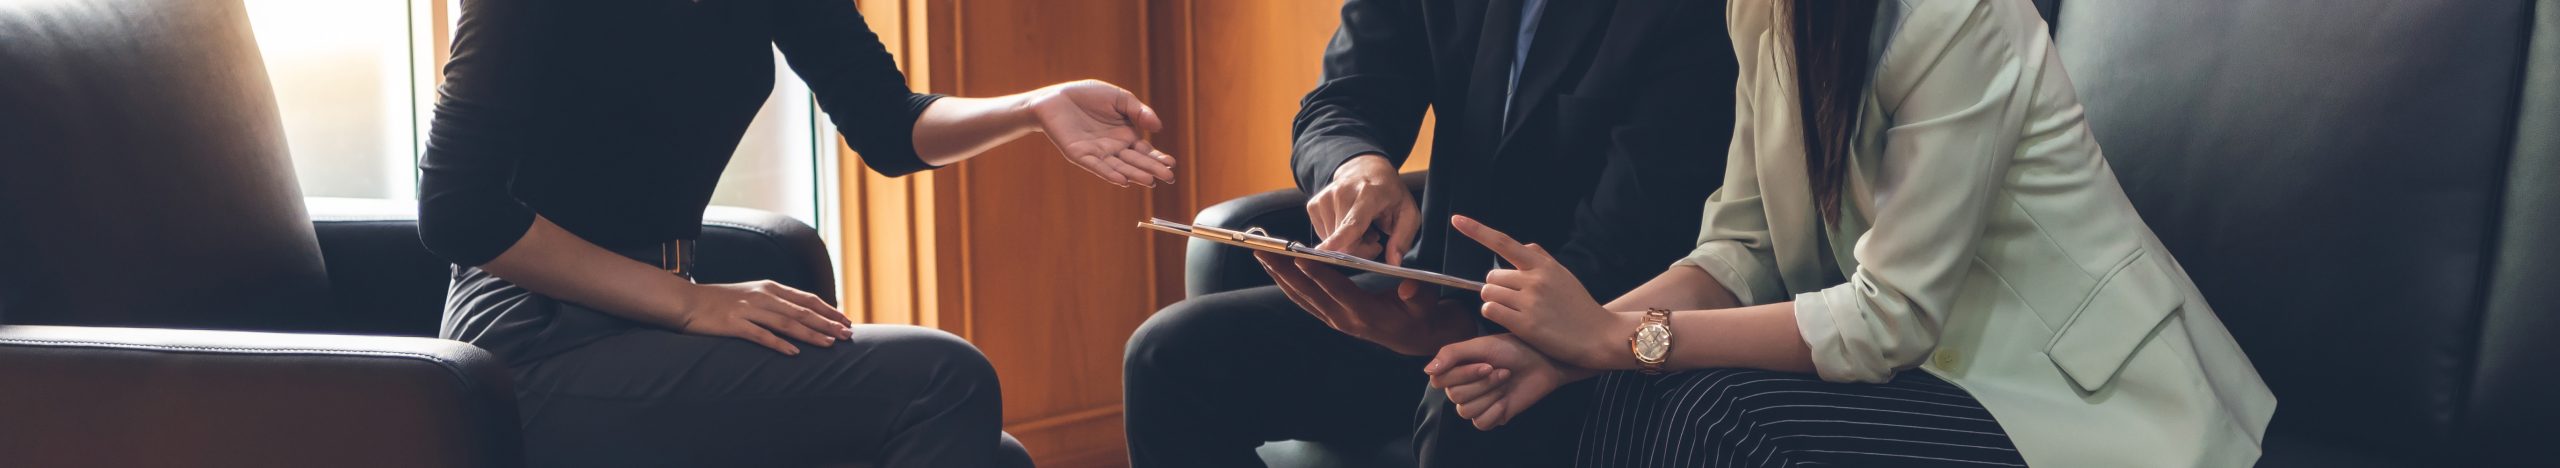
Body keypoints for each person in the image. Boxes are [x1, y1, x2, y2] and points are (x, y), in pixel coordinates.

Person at [1423, 0, 2278, 466]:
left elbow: (1889, 318)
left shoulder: (1958, 15)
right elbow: (1742, 246)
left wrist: (1617, 336)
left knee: (1717, 414)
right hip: (1938, 371)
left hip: (2077, 401)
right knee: (1629, 386)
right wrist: (1567, 349)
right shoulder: (1764, 10)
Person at [418, 0, 1175, 466]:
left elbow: (889, 124)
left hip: (654, 325)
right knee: (946, 378)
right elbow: (458, 211)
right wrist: (689, 305)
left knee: (995, 457)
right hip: (536, 341)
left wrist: (1034, 107)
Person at [1122, 1, 1735, 466]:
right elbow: (1343, 100)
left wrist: (1451, 330)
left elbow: (1631, 242)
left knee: (1473, 401)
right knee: (1168, 356)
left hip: (1599, 321)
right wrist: (1356, 165)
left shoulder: (1691, 14)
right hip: (1432, 297)